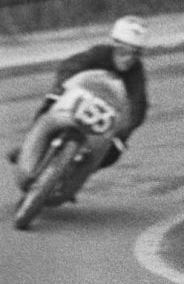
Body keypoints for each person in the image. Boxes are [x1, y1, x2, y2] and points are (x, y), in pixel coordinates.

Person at [9, 16, 150, 188]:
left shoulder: (136, 73)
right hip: (77, 101)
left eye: (135, 54)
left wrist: (125, 128)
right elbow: (70, 65)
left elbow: (139, 104)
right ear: (114, 45)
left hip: (103, 119)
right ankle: (28, 146)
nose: (128, 58)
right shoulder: (99, 54)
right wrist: (61, 87)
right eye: (123, 51)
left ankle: (77, 174)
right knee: (49, 105)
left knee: (115, 151)